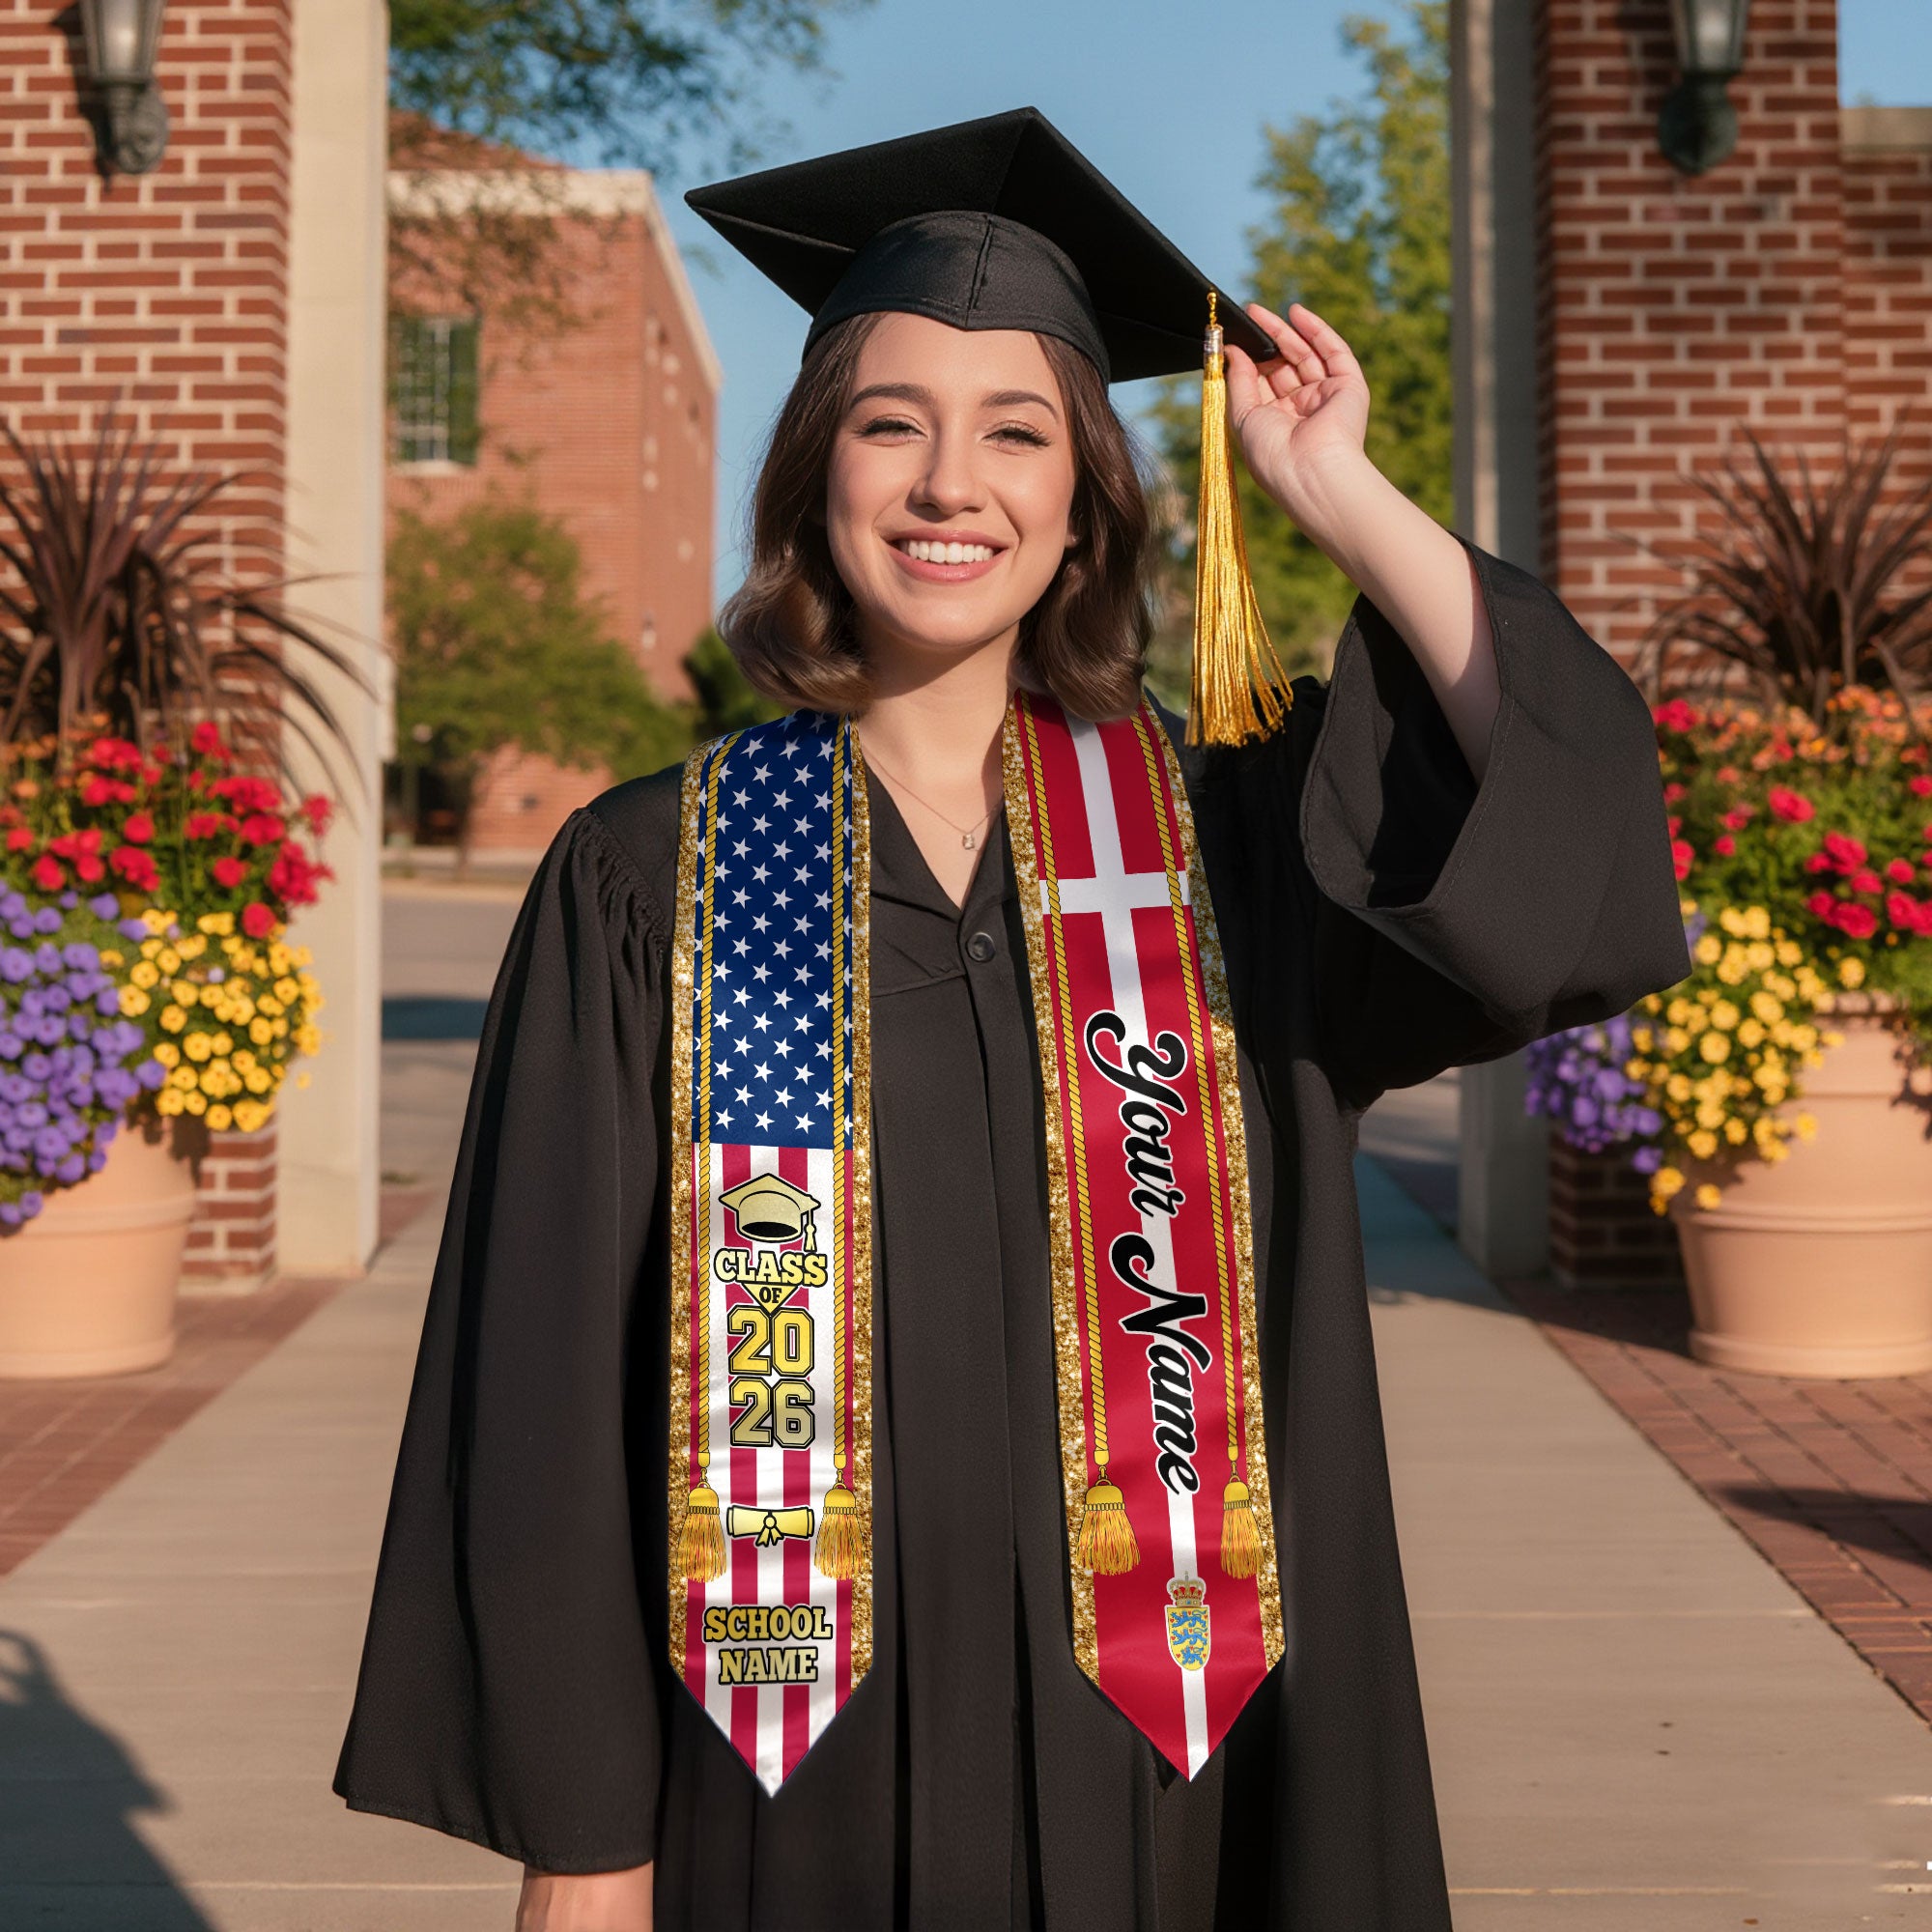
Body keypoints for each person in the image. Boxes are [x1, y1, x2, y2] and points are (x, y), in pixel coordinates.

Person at [332, 108, 1690, 1931]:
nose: (948, 483)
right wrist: (585, 1845)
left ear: (1083, 503)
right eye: (892, 424)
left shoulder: (1235, 852)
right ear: (818, 472)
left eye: (1016, 432)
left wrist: (1336, 492)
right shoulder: (649, 878)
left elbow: (1561, 833)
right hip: (780, 1782)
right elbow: (549, 1388)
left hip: (1187, 1776)